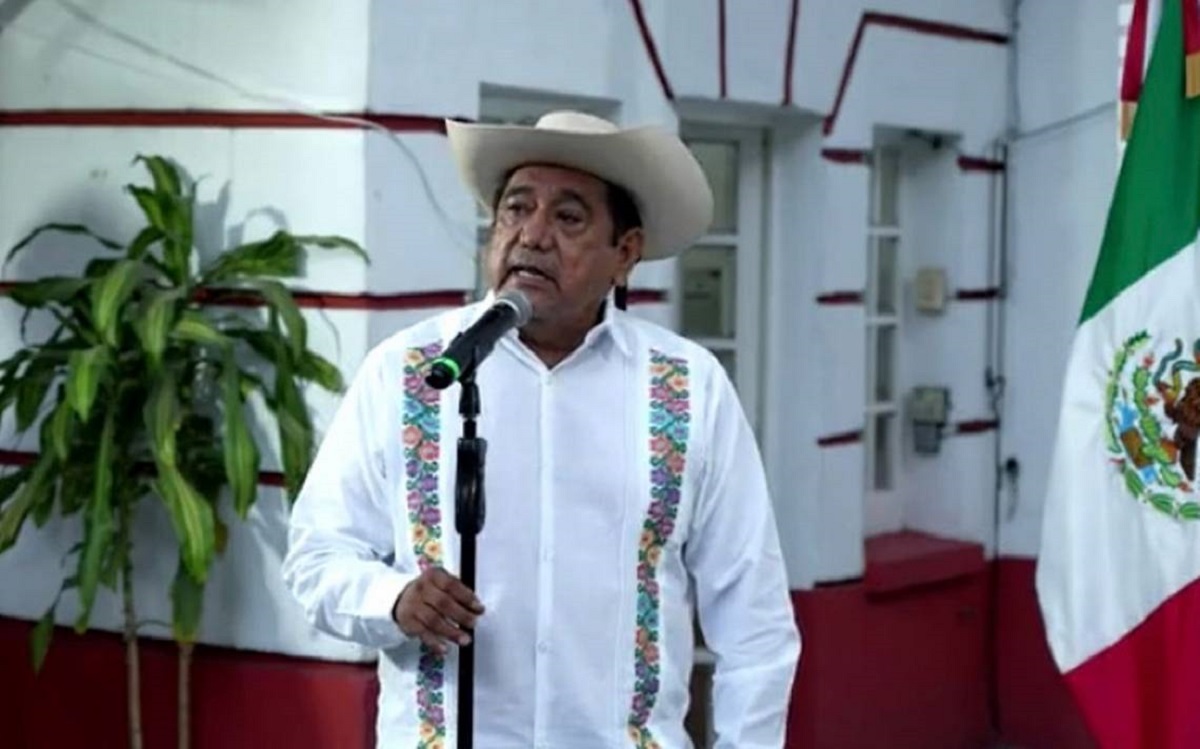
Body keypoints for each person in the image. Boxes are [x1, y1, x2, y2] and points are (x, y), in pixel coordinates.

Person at [282, 111, 801, 748]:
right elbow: (317, 556)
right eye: (516, 209)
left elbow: (754, 619)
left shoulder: (686, 386)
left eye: (569, 217)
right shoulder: (413, 371)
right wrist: (392, 599)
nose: (532, 235)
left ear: (625, 254)